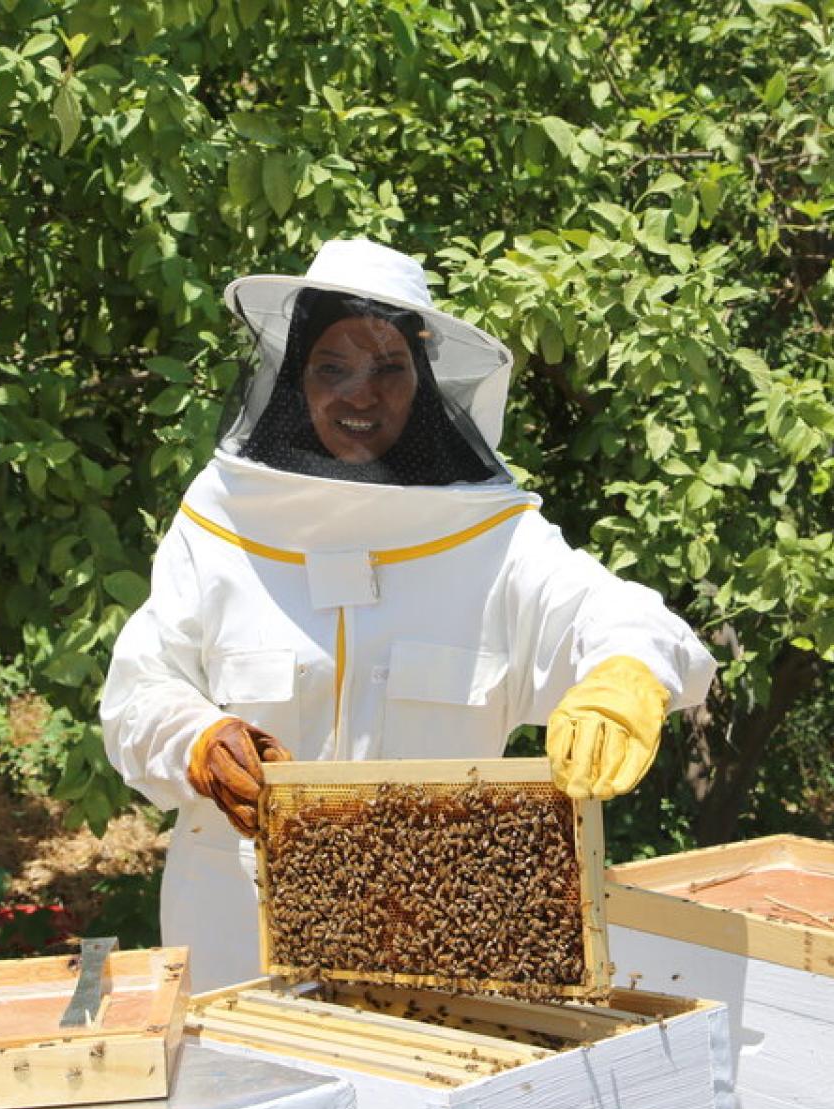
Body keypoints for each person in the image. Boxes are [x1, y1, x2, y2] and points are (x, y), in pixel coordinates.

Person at [101, 239, 715, 990]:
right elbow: (138, 691)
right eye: (334, 368)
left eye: (389, 368)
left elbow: (628, 618)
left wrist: (628, 671)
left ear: (422, 381)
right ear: (297, 376)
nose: (361, 395)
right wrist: (196, 738)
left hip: (439, 946)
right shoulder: (222, 521)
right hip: (233, 935)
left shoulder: (492, 536)